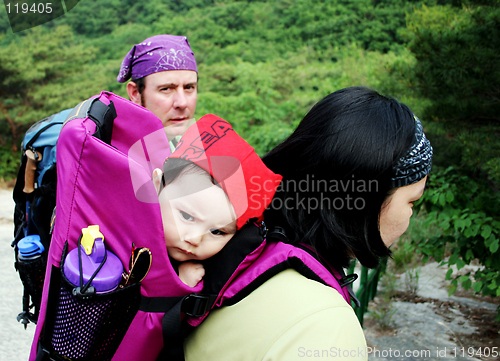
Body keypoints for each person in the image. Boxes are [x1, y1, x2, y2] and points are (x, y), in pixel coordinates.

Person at [184, 86, 433, 360]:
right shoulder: (327, 329)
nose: (410, 214)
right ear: (367, 200)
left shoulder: (234, 243)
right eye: (412, 201)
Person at [152, 114, 282, 287]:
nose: (194, 239)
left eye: (217, 232)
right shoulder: (120, 231)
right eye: (187, 216)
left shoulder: (212, 273)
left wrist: (179, 290)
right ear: (157, 185)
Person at [117, 34, 198, 151]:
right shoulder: (119, 155)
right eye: (166, 89)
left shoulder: (181, 145)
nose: (182, 103)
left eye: (189, 87)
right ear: (135, 93)